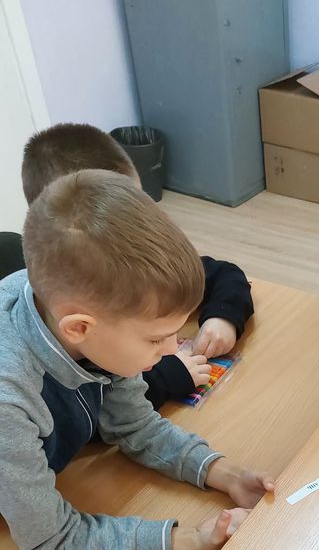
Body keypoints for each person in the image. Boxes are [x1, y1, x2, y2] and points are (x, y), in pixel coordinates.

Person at [0, 169, 273, 550]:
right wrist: (189, 539)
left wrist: (225, 473)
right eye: (155, 339)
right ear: (79, 328)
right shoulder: (9, 402)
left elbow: (134, 426)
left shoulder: (78, 309)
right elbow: (52, 535)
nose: (172, 349)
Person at [4, 122, 254, 407]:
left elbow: (224, 274)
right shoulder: (18, 387)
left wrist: (223, 316)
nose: (142, 223)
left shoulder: (134, 270)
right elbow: (97, 410)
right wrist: (164, 377)